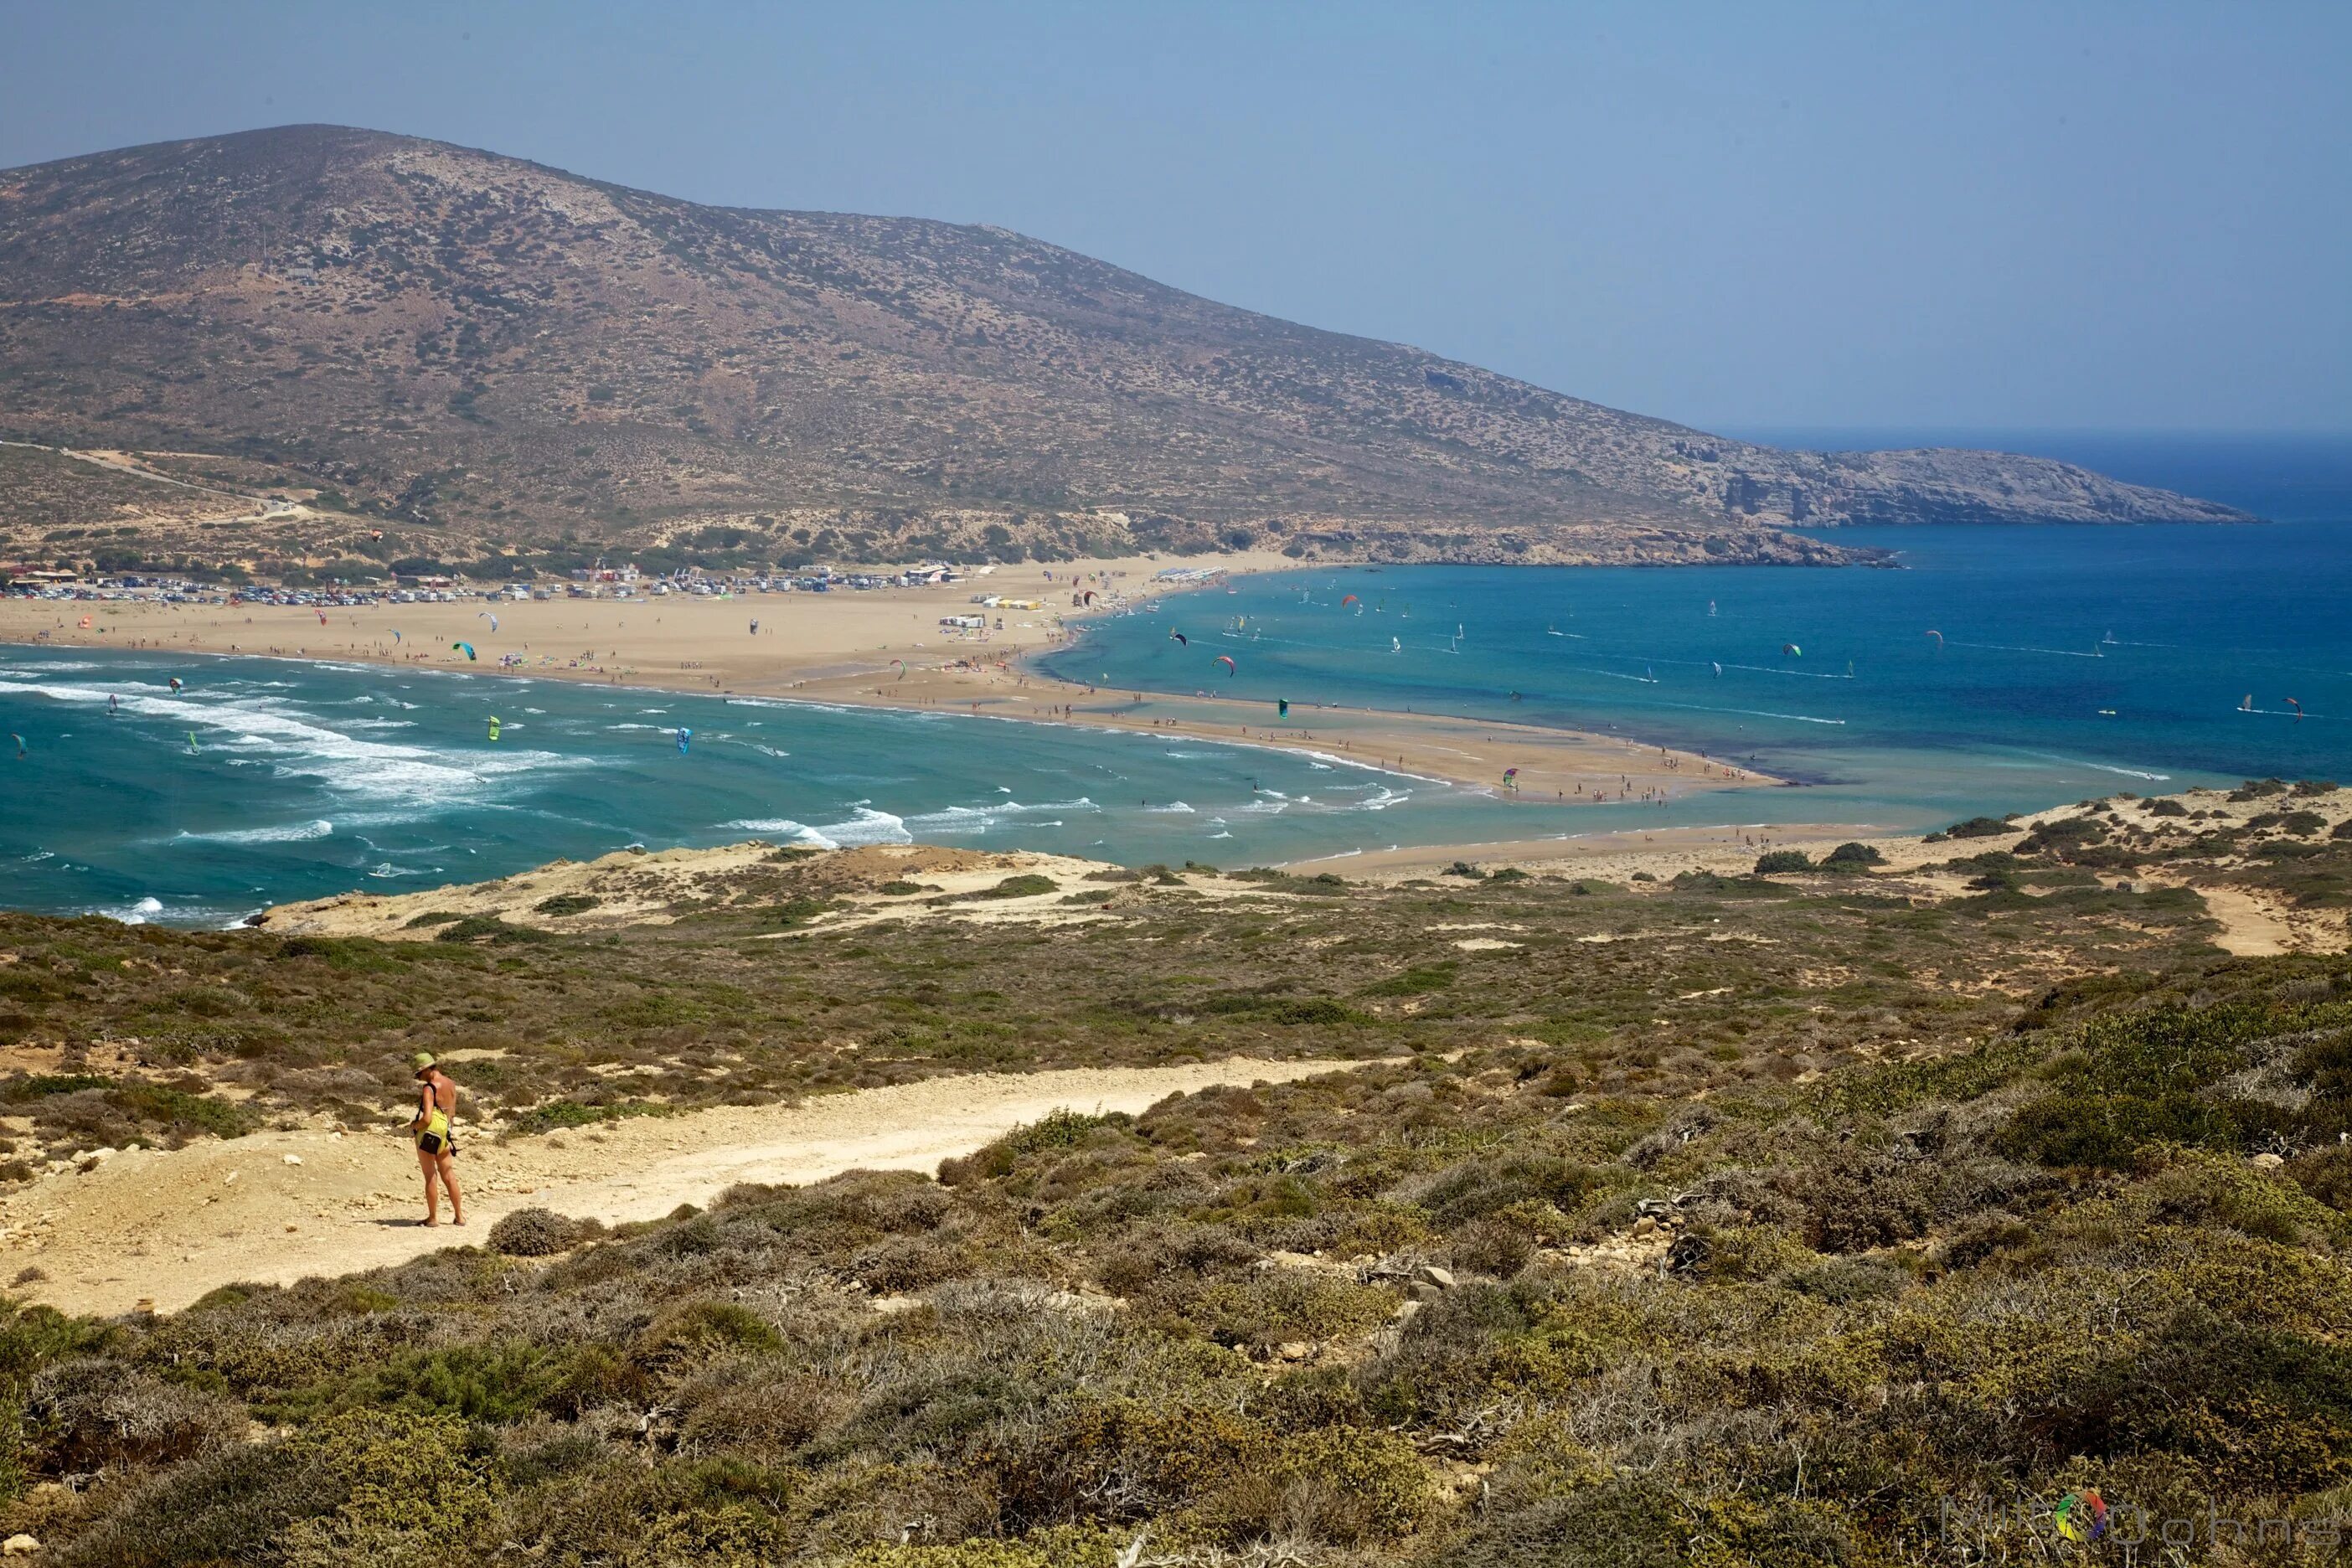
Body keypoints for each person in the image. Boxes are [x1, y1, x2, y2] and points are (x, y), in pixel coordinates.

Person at [409, 1052, 464, 1227]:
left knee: (430, 1175)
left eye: (419, 1074)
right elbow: (452, 1112)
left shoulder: (429, 1088)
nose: (419, 1078)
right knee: (449, 1175)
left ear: (426, 1070)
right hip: (445, 1135)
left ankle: (432, 1218)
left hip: (429, 1136)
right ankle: (459, 1216)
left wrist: (414, 1125)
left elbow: (427, 1119)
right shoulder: (451, 1084)